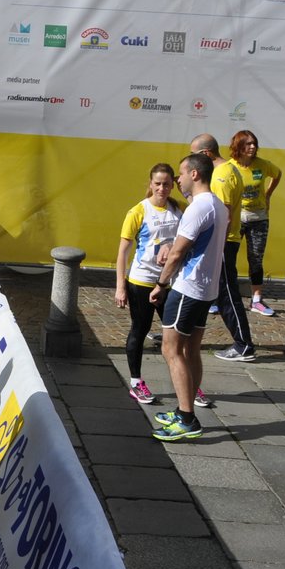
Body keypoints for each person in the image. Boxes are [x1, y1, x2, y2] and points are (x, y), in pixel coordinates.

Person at [146, 153, 228, 442]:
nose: (178, 180)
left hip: (188, 288)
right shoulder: (217, 205)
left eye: (180, 174)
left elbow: (180, 252)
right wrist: (172, 245)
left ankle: (186, 418)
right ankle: (185, 410)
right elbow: (189, 245)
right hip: (205, 289)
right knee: (191, 351)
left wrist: (161, 283)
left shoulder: (198, 207)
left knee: (172, 351)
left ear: (194, 174)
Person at [114, 164, 182, 405]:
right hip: (141, 281)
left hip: (169, 282)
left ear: (173, 184)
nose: (162, 188)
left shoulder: (177, 209)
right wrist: (120, 286)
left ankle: (185, 384)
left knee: (176, 334)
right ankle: (135, 382)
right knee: (139, 330)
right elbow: (123, 251)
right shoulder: (138, 211)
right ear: (150, 184)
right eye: (158, 184)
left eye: (166, 184)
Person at [191, 133, 255, 363]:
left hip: (224, 242)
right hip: (221, 241)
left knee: (227, 293)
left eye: (194, 156)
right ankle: (183, 331)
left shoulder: (222, 176)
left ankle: (244, 344)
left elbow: (224, 215)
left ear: (206, 154)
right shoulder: (226, 171)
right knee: (203, 291)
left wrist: (213, 244)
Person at [227, 130, 283, 315]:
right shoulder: (230, 167)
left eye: (254, 143)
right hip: (236, 218)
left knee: (256, 259)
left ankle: (256, 300)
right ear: (238, 146)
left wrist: (268, 195)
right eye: (247, 144)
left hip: (259, 218)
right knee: (228, 258)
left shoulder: (262, 165)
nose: (252, 147)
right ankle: (223, 298)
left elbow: (278, 174)